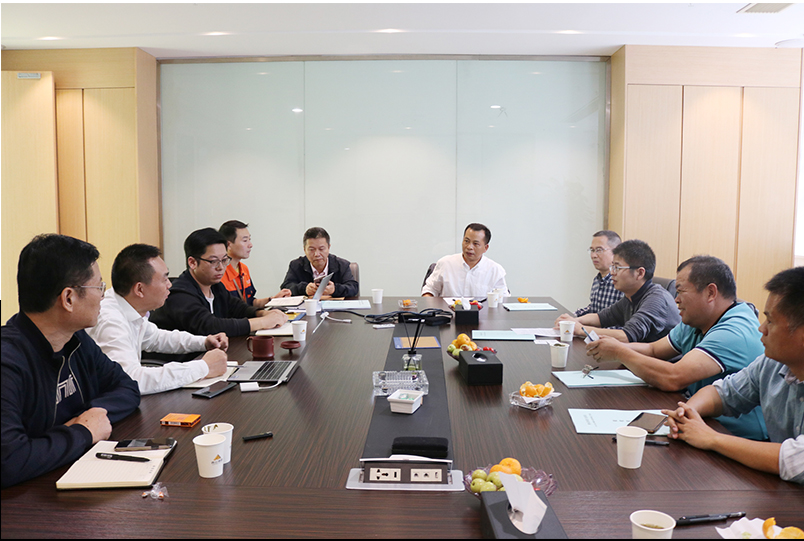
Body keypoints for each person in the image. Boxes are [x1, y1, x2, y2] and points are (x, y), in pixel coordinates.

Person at [1, 234, 140, 488]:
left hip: (64, 475)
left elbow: (127, 387)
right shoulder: (8, 362)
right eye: (99, 287)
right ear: (68, 298)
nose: (103, 296)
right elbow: (8, 461)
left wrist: (88, 417)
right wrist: (83, 432)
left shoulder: (76, 340)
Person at [586, 255, 767, 441]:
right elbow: (654, 350)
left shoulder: (735, 330)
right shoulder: (696, 320)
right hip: (699, 420)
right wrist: (615, 346)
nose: (676, 299)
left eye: (681, 291)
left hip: (735, 435)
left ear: (710, 293)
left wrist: (619, 352)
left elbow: (673, 378)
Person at [662, 267, 803, 484]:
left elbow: (794, 460)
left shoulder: (736, 328)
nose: (761, 329)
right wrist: (688, 412)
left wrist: (711, 438)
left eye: (771, 321)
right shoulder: (771, 364)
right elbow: (723, 393)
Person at [87, 244, 230, 395]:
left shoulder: (128, 306)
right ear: (140, 289)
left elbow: (156, 337)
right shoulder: (110, 321)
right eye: (164, 279)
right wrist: (203, 367)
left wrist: (203, 342)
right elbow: (131, 379)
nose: (169, 285)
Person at [149, 228, 287, 337]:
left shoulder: (215, 286)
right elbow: (210, 326)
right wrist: (263, 322)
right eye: (214, 261)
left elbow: (238, 308)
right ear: (192, 262)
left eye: (224, 260)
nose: (221, 267)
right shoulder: (179, 294)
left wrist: (262, 314)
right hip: (182, 361)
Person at [555, 239, 679, 343]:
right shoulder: (631, 297)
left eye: (617, 268)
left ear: (640, 273)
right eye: (612, 267)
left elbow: (626, 336)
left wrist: (580, 329)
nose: (612, 273)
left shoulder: (656, 299)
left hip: (663, 362)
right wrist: (574, 321)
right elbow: (601, 317)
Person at [422, 223, 509, 298]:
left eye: (475, 244)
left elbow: (504, 299)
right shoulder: (445, 263)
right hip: (447, 312)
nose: (469, 247)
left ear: (485, 248)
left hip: (482, 312)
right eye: (466, 241)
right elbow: (429, 290)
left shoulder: (495, 270)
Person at [218, 220, 291, 308]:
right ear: (228, 245)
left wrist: (273, 300)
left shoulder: (244, 269)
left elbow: (250, 302)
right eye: (245, 240)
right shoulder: (219, 273)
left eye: (249, 239)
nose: (250, 245)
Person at [281, 227, 359, 298]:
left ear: (328, 247)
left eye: (321, 249)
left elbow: (353, 287)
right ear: (304, 249)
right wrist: (304, 289)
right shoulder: (296, 265)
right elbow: (286, 287)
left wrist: (335, 289)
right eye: (311, 249)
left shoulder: (342, 265)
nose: (317, 254)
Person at [573, 230, 624, 318]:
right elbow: (594, 309)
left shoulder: (621, 282)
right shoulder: (597, 280)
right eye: (592, 250)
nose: (593, 255)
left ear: (616, 252)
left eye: (599, 250)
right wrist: (572, 316)